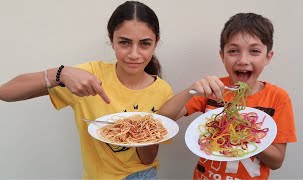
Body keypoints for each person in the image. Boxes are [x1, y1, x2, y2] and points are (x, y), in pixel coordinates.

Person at [0, 1, 174, 179]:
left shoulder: (163, 90)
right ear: (111, 40)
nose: (134, 54)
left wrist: (141, 132)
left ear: (156, 43)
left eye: (144, 44)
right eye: (124, 42)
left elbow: (147, 159)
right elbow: (5, 92)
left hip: (143, 175)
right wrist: (61, 74)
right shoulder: (90, 75)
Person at [158, 13, 297, 179]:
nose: (243, 60)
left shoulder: (278, 98)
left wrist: (245, 132)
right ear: (222, 56)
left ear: (268, 57)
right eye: (233, 51)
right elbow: (163, 118)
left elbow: (276, 161)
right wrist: (191, 90)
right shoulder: (214, 89)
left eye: (254, 51)